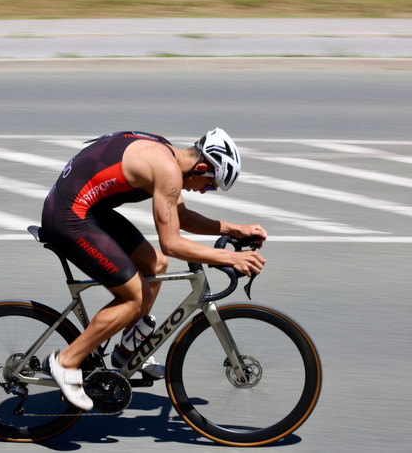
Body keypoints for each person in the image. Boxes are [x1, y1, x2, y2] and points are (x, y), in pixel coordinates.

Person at [40, 128, 267, 410]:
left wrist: (235, 229)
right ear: (202, 168)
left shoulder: (168, 155)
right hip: (68, 217)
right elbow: (171, 243)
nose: (203, 191)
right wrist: (231, 258)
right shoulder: (167, 170)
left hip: (89, 209)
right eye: (209, 185)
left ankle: (127, 350)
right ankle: (66, 362)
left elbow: (180, 217)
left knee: (156, 265)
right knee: (135, 298)